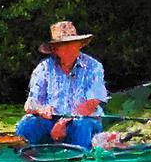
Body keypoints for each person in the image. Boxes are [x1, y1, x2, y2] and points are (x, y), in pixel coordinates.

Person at [15, 21, 108, 150]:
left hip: (84, 119)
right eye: (64, 45)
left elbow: (91, 104)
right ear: (55, 49)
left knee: (82, 126)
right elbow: (30, 104)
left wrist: (63, 121)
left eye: (73, 43)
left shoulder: (93, 67)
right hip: (51, 121)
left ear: (79, 45)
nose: (70, 48)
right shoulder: (43, 68)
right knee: (26, 125)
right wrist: (41, 109)